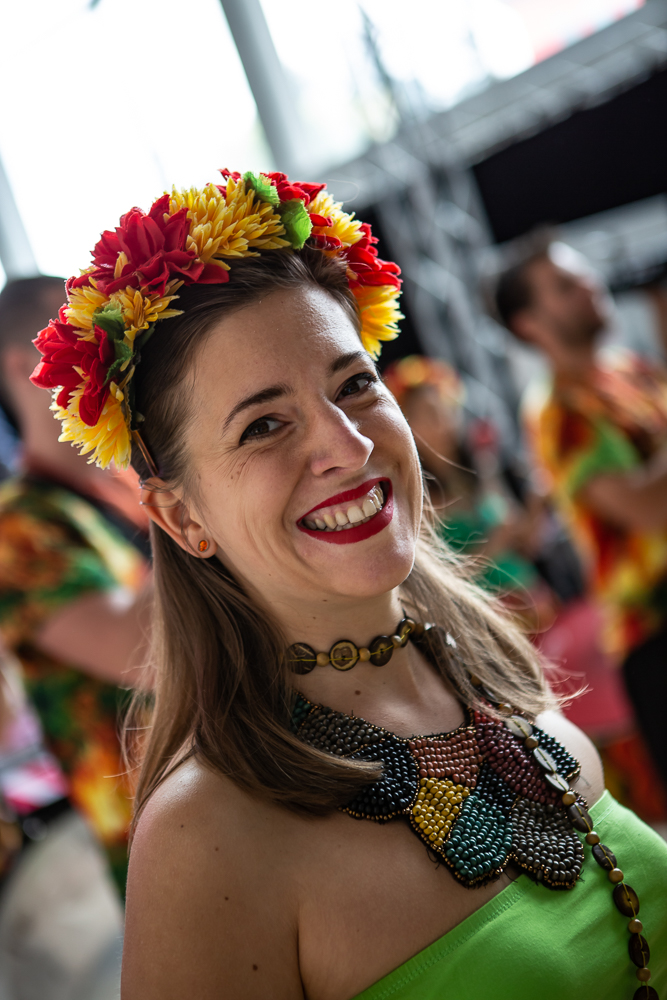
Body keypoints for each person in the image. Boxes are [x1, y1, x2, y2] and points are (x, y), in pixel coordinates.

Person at [32, 171, 667, 999]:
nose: (348, 445)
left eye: (354, 384)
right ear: (182, 516)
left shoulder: (492, 673)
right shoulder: (205, 838)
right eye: (263, 424)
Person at [494, 237, 667, 812]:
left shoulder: (631, 371)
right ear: (528, 325)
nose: (591, 285)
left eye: (584, 274)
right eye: (566, 286)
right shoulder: (558, 412)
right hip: (655, 633)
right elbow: (648, 510)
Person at [0, 276, 152, 897]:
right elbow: (141, 652)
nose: (104, 357)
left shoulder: (128, 483)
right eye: (77, 340)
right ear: (21, 365)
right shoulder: (15, 528)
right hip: (161, 831)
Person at [382, 354, 557, 632]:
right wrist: (495, 544)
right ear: (406, 428)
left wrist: (537, 500)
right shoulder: (418, 502)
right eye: (430, 414)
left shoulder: (479, 472)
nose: (444, 421)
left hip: (534, 599)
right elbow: (443, 581)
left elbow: (525, 542)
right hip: (492, 620)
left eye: (446, 409)